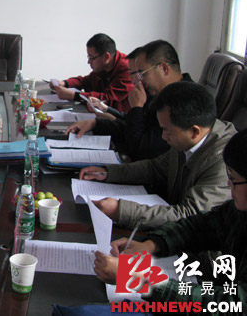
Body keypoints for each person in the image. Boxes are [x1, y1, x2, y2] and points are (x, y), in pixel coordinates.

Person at [93, 129, 247, 312]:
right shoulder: (238, 211)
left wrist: (138, 279)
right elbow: (200, 227)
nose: (228, 184)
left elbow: (230, 304)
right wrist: (152, 245)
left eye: (234, 179)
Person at [79, 81, 235, 229]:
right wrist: (108, 173)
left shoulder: (224, 161)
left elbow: (190, 215)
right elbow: (156, 168)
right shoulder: (188, 137)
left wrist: (121, 211)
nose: (163, 137)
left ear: (194, 131)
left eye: (167, 131)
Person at [68, 40, 192, 161]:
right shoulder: (158, 93)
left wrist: (137, 108)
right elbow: (130, 128)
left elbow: (140, 151)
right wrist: (95, 124)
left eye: (142, 73)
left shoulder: (185, 102)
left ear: (164, 68)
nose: (138, 81)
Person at [50, 33, 134, 112]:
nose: (88, 62)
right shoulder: (104, 66)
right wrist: (64, 83)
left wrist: (74, 96)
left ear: (106, 57)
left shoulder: (128, 69)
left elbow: (108, 98)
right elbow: (86, 81)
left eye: (91, 58)